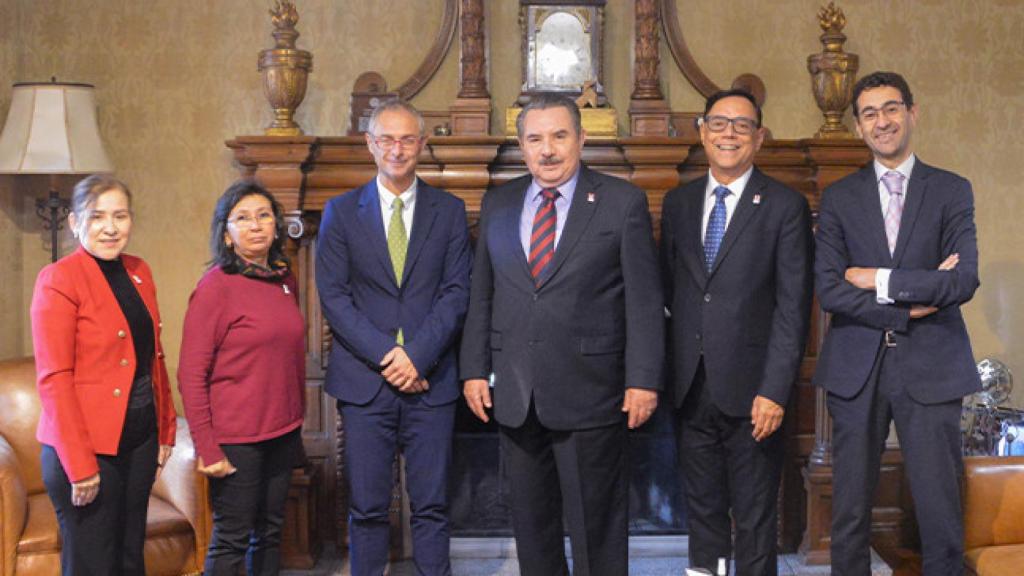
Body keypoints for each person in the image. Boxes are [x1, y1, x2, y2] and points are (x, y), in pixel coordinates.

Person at [461, 94, 664, 576]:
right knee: (534, 533)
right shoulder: (499, 202)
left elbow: (643, 302)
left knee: (598, 532)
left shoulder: (621, 202)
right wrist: (473, 370)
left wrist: (644, 380)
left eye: (559, 136)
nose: (547, 150)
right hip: (516, 395)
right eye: (535, 139)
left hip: (594, 394)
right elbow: (482, 295)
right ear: (522, 145)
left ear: (581, 139)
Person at [814, 71, 980, 576]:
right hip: (855, 370)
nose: (881, 121)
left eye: (890, 109)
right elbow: (830, 289)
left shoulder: (951, 189)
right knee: (848, 514)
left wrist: (878, 279)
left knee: (939, 512)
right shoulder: (839, 197)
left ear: (912, 112)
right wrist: (912, 297)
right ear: (859, 126)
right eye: (869, 113)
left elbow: (961, 281)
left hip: (931, 366)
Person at [661, 89, 814, 576]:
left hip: (755, 395)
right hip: (689, 387)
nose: (729, 133)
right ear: (702, 131)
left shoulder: (784, 206)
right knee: (700, 514)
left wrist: (774, 390)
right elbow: (671, 294)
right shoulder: (678, 203)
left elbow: (793, 309)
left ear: (759, 137)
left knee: (753, 519)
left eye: (742, 125)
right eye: (719, 123)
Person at [316, 98, 471, 576]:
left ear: (422, 145)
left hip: (432, 383)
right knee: (366, 509)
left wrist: (417, 357)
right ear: (370, 144)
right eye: (387, 138)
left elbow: (456, 293)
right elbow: (335, 299)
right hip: (365, 386)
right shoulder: (340, 213)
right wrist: (390, 356)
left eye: (407, 139)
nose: (397, 149)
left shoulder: (449, 211)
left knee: (431, 508)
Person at [30, 174, 176, 575]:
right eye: (97, 217)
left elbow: (153, 358)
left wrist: (165, 429)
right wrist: (80, 466)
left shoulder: (139, 271)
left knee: (130, 558)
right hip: (86, 449)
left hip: (139, 440)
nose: (110, 228)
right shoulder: (58, 279)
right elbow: (54, 379)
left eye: (120, 216)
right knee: (93, 564)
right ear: (75, 223)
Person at [178, 180, 306, 575]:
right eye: (243, 218)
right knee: (232, 538)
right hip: (236, 440)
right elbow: (190, 373)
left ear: (276, 225)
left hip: (282, 432)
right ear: (227, 234)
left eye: (264, 215)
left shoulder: (284, 280)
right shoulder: (215, 288)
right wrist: (207, 447)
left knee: (270, 532)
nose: (256, 226)